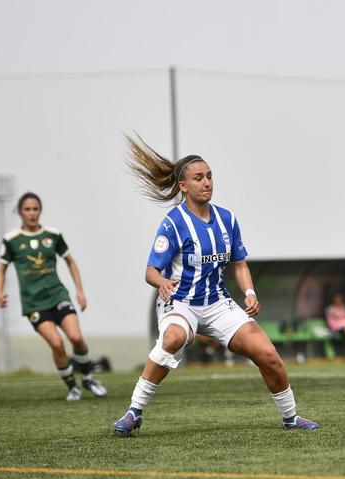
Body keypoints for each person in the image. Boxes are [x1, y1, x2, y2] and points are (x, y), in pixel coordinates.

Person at [112, 136, 319, 436]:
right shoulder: (173, 223)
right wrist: (162, 282)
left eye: (209, 176)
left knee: (268, 354)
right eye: (198, 178)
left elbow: (239, 262)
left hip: (218, 304)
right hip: (181, 302)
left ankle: (291, 417)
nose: (206, 182)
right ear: (183, 186)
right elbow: (150, 271)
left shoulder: (227, 219)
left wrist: (249, 292)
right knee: (172, 338)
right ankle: (134, 412)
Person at [0, 192, 107, 401]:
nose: (32, 213)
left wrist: (80, 291)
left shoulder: (53, 235)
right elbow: (1, 269)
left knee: (76, 337)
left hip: (58, 295)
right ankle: (73, 387)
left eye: (35, 209)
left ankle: (88, 378)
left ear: (40, 210)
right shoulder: (11, 240)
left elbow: (70, 262)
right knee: (57, 344)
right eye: (27, 209)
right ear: (20, 212)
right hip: (34, 303)